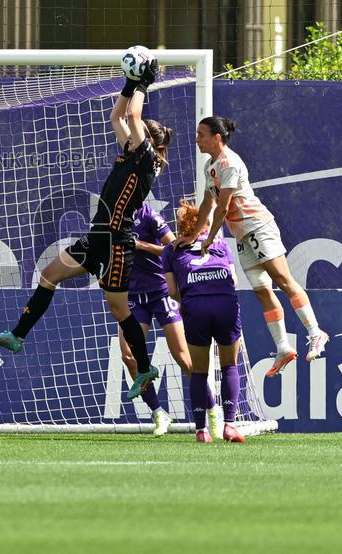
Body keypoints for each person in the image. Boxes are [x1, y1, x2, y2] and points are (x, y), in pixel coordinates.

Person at [0, 56, 173, 401]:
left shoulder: (147, 159)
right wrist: (129, 83)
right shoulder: (131, 150)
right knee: (48, 275)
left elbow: (132, 116)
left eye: (138, 131)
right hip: (97, 237)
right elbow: (117, 117)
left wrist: (145, 82)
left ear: (147, 139)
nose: (130, 131)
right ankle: (17, 335)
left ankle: (145, 367)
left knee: (119, 310)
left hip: (117, 242)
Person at [177, 117, 328, 377]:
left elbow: (222, 207)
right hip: (243, 236)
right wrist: (193, 235)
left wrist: (210, 238)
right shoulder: (209, 166)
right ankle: (283, 347)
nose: (197, 139)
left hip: (258, 226)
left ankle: (316, 332)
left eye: (201, 134)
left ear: (217, 137)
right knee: (261, 290)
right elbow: (207, 204)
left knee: (282, 279)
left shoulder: (229, 163)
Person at [125, 202, 218, 436]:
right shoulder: (112, 218)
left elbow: (172, 248)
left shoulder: (148, 215)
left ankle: (212, 410)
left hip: (160, 292)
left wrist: (140, 245)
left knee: (184, 358)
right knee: (129, 356)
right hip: (133, 295)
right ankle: (158, 413)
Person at [162, 199, 246, 443]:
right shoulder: (220, 243)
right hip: (225, 304)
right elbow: (233, 280)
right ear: (205, 224)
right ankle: (230, 425)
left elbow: (171, 290)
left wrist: (191, 295)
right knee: (229, 366)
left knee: (199, 371)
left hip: (196, 308)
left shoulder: (171, 250)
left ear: (180, 227)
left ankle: (201, 430)